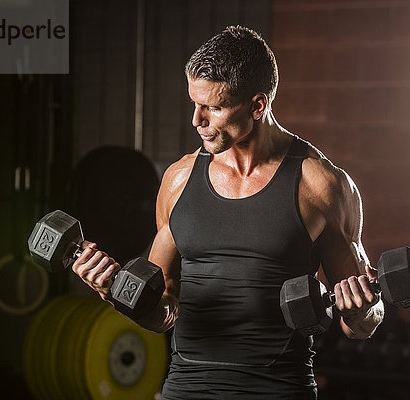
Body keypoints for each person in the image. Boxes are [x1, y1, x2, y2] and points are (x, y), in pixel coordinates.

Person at [72, 25, 384, 400]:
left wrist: (360, 309)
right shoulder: (178, 180)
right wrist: (114, 292)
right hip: (186, 389)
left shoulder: (321, 186)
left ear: (258, 105)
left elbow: (363, 324)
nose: (197, 120)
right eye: (194, 103)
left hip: (279, 391)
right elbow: (163, 310)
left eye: (214, 107)